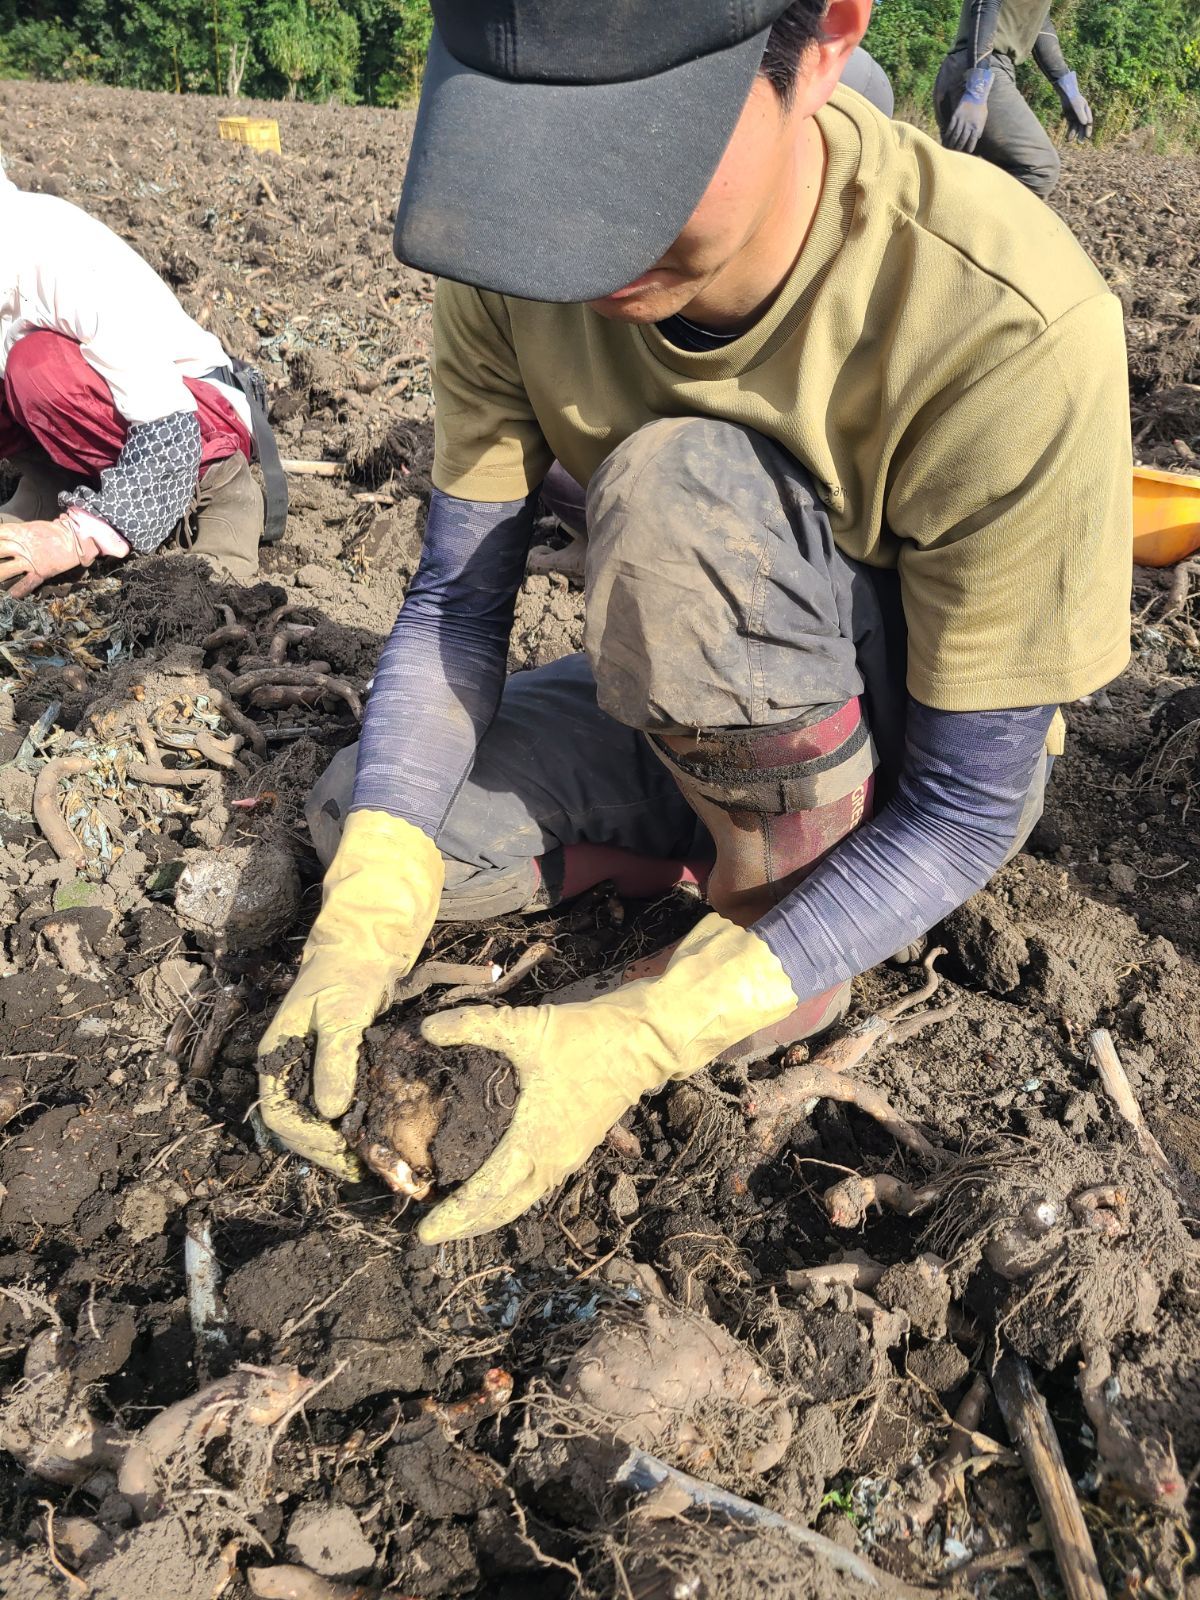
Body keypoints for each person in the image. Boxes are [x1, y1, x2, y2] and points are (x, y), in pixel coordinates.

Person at [258, 0, 1131, 1247]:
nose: (574, 231)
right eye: (534, 162)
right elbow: (459, 601)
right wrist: (365, 916)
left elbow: (971, 803)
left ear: (824, 38)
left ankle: (782, 930)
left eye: (632, 157)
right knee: (375, 814)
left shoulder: (1007, 316)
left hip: (913, 744)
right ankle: (723, 863)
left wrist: (650, 1028)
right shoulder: (516, 266)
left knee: (677, 500)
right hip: (698, 692)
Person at [0, 171, 285, 597]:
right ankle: (50, 481)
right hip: (130, 425)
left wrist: (73, 538)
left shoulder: (57, 258)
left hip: (196, 415)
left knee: (39, 367)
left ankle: (222, 488)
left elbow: (167, 425)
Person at [934, 1, 1093, 197]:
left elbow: (1039, 22)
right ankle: (971, 219)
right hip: (981, 69)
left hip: (973, 69)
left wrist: (1069, 89)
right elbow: (987, 3)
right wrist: (977, 90)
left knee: (960, 182)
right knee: (1040, 170)